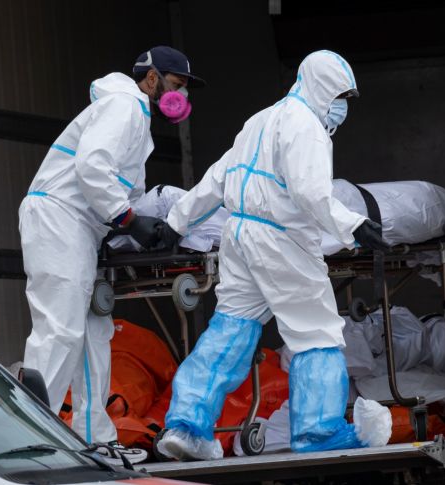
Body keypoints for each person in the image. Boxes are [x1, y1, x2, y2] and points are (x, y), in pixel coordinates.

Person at [155, 50, 390, 460]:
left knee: (230, 329)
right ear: (321, 88)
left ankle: (186, 427)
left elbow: (218, 177)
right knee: (315, 332)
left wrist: (176, 221)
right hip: (282, 239)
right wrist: (354, 226)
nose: (342, 107)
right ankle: (317, 431)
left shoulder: (260, 120)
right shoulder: (307, 126)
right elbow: (310, 192)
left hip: (239, 235)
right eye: (341, 96)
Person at [19, 45, 204, 465]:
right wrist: (128, 220)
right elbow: (92, 167)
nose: (180, 98)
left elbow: (123, 190)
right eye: (177, 86)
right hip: (59, 218)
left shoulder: (136, 120)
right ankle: (32, 440)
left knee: (93, 332)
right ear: (153, 79)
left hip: (82, 228)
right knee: (60, 330)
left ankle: (94, 437)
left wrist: (138, 221)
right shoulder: (124, 106)